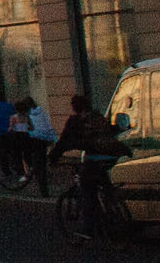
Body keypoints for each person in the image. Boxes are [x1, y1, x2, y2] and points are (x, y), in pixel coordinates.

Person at [50, 93, 128, 237]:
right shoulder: (98, 117)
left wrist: (52, 158)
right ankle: (111, 203)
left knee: (87, 188)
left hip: (95, 157)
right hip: (113, 155)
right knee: (102, 180)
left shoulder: (75, 120)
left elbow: (63, 142)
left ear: (75, 107)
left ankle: (88, 227)